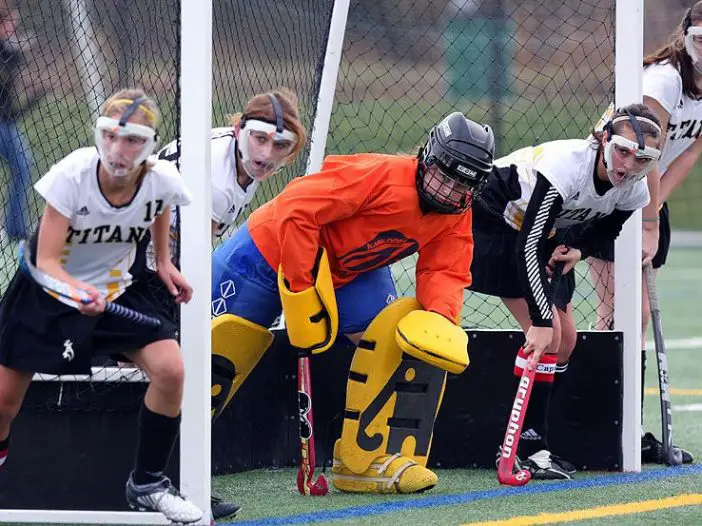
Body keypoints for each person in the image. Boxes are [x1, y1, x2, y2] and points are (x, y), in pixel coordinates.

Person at [209, 111, 494, 493]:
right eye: (443, 176)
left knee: (394, 342)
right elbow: (298, 209)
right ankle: (172, 464)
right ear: (427, 156)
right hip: (266, 251)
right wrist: (301, 287)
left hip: (349, 271)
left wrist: (441, 321)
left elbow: (446, 271)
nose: (447, 191)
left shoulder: (456, 213)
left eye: (460, 185)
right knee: (218, 349)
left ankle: (362, 460)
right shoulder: (380, 176)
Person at [0, 88, 202, 523]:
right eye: (110, 135)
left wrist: (164, 262)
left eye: (131, 140)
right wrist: (77, 293)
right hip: (46, 295)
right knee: (3, 404)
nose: (117, 148)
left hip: (112, 292)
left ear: (147, 145)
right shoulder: (73, 175)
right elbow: (48, 259)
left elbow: (159, 207)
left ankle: (147, 482)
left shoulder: (162, 179)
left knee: (171, 371)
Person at [469, 103, 663, 480]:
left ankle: (535, 440)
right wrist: (539, 321)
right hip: (494, 223)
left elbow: (606, 230)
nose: (629, 164)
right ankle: (526, 448)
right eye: (622, 150)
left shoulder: (632, 189)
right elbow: (526, 242)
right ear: (604, 140)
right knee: (549, 335)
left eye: (643, 157)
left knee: (567, 340)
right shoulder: (566, 167)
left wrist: (579, 250)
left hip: (545, 236)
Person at [156, 88, 306, 519]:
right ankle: (175, 484)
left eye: (281, 145)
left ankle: (181, 479)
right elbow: (182, 252)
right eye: (259, 139)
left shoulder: (233, 154)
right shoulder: (218, 182)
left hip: (153, 256)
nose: (267, 154)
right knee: (184, 366)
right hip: (128, 264)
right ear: (240, 129)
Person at [586, 4, 702, 465]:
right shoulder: (664, 80)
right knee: (618, 312)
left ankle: (621, 427)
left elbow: (690, 152)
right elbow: (645, 152)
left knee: (626, 317)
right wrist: (646, 220)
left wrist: (656, 210)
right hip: (611, 191)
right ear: (688, 35)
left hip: (648, 194)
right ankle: (601, 424)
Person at [0, 2, 46, 240]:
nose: (14, 29)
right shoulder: (6, 54)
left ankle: (16, 228)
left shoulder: (9, 52)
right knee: (22, 167)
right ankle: (16, 228)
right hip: (3, 124)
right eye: (10, 24)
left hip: (7, 123)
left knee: (23, 167)